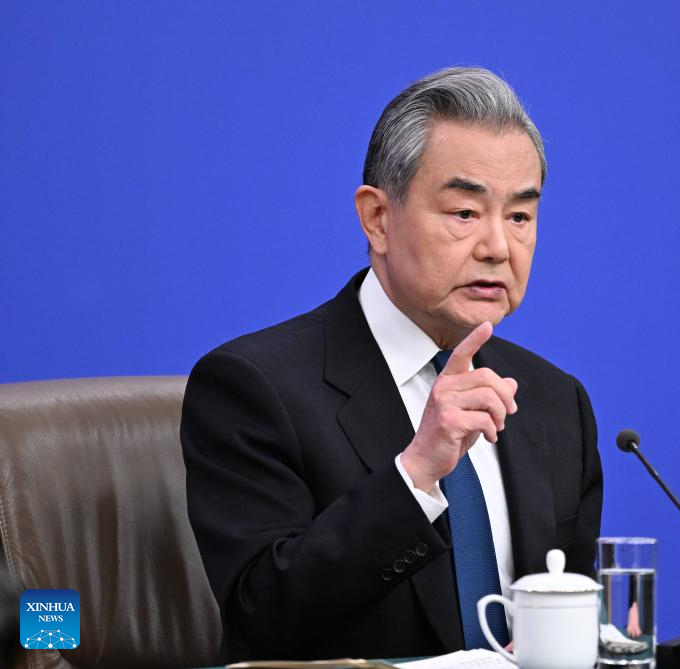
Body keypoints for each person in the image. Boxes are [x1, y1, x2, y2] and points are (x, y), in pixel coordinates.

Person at [181, 66, 603, 663]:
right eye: (464, 213)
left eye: (519, 217)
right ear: (377, 218)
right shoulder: (254, 387)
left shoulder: (556, 402)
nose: (498, 248)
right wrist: (416, 474)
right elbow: (261, 619)